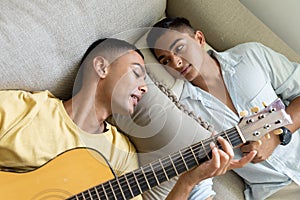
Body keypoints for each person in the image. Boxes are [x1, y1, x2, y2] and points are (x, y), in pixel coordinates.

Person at [0, 38, 256, 199]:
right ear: (102, 67)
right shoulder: (27, 109)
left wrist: (189, 180)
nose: (144, 88)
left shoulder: (121, 156)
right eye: (137, 73)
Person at [146, 17, 300, 199]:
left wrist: (279, 134)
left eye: (179, 48)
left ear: (199, 39)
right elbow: (198, 183)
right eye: (165, 61)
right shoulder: (184, 112)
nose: (176, 63)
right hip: (273, 191)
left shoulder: (251, 55)